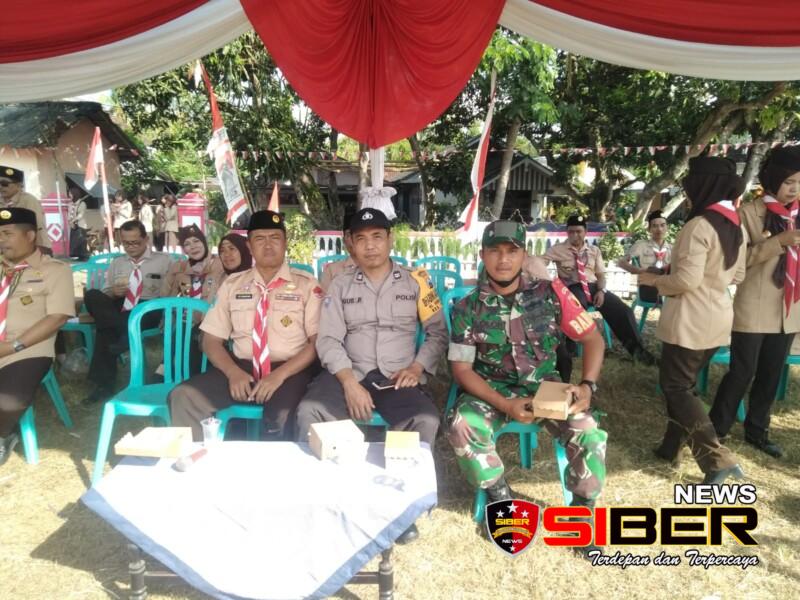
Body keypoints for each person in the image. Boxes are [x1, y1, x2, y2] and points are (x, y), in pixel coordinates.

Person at [295, 207, 448, 545]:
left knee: (424, 419)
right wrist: (349, 382)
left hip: (397, 375)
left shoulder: (417, 281)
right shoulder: (340, 284)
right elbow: (328, 339)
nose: (370, 246)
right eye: (361, 238)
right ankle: (324, 499)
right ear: (351, 243)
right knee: (311, 410)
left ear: (390, 239)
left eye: (377, 236)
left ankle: (402, 507)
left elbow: (438, 333)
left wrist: (417, 367)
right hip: (350, 370)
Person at [447, 220, 607, 542]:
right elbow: (462, 370)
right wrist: (504, 404)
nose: (503, 259)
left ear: (524, 255)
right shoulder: (467, 308)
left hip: (545, 388)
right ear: (482, 255)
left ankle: (582, 509)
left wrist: (587, 386)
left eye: (512, 251)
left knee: (588, 430)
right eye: (495, 251)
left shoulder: (552, 294)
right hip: (492, 390)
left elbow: (593, 339)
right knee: (461, 425)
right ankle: (500, 497)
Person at [639, 157, 747, 484]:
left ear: (704, 186)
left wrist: (652, 280)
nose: (687, 194)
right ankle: (670, 447)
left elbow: (686, 280)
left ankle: (717, 460)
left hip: (690, 320)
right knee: (682, 386)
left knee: (676, 388)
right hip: (718, 317)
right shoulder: (735, 224)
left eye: (690, 187)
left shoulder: (698, 225)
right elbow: (738, 275)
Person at [169, 210, 322, 441]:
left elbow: (316, 343)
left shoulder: (307, 285)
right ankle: (195, 459)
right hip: (242, 367)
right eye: (260, 239)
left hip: (289, 369)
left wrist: (278, 376)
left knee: (281, 416)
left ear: (285, 243)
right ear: (249, 246)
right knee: (184, 396)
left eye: (275, 238)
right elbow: (211, 340)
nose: (268, 245)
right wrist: (232, 372)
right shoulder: (233, 284)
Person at [709, 147, 800, 459]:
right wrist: (777, 243)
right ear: (773, 179)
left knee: (771, 374)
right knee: (742, 371)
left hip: (788, 308)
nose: (794, 190)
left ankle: (757, 430)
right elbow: (738, 262)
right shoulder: (748, 213)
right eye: (789, 182)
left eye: (799, 183)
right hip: (754, 306)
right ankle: (716, 429)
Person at [0, 208, 75, 465]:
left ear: (30, 235)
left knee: (7, 399)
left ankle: (3, 435)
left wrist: (12, 346)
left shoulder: (55, 270)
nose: (1, 240)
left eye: (7, 233)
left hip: (28, 349)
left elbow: (58, 317)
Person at [543, 215, 655, 370]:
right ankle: (568, 352)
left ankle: (639, 353)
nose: (575, 235)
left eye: (578, 231)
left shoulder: (594, 250)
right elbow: (540, 262)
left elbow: (601, 275)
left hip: (595, 287)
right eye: (571, 232)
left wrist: (602, 291)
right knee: (573, 309)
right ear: (567, 232)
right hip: (572, 287)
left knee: (624, 311)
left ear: (585, 232)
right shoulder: (557, 250)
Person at [83, 220, 172, 404]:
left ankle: (103, 386)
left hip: (149, 306)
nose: (131, 247)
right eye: (126, 243)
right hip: (120, 305)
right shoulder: (118, 262)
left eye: (135, 242)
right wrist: (113, 292)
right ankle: (124, 333)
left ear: (146, 239)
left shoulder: (163, 261)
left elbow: (171, 291)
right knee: (92, 295)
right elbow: (106, 292)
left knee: (105, 330)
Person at [162, 225, 226, 374]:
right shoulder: (180, 267)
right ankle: (170, 368)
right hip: (185, 320)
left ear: (204, 242)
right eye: (187, 244)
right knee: (181, 329)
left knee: (187, 333)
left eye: (196, 241)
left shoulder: (221, 265)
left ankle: (166, 368)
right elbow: (166, 296)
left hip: (212, 319)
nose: (193, 246)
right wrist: (175, 274)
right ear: (184, 249)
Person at [618, 210, 672, 304]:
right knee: (676, 296)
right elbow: (621, 262)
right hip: (648, 286)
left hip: (667, 284)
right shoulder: (641, 245)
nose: (659, 229)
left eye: (662, 225)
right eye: (655, 226)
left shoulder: (673, 248)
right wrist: (639, 270)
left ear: (667, 227)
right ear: (649, 229)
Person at [0, 166, 52, 255]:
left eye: (5, 184)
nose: (0, 187)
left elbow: (36, 227)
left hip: (32, 249)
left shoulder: (29, 201)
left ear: (19, 185)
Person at [319, 210, 357, 291]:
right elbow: (325, 298)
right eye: (349, 235)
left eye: (359, 235)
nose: (354, 239)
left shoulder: (379, 268)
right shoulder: (331, 270)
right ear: (344, 240)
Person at [67, 186, 90, 261]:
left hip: (80, 225)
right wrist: (69, 221)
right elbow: (69, 213)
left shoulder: (82, 203)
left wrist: (74, 220)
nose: (69, 195)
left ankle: (84, 256)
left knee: (81, 241)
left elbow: (81, 215)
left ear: (74, 194)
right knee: (74, 242)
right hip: (73, 226)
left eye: (70, 194)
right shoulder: (70, 204)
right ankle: (77, 256)